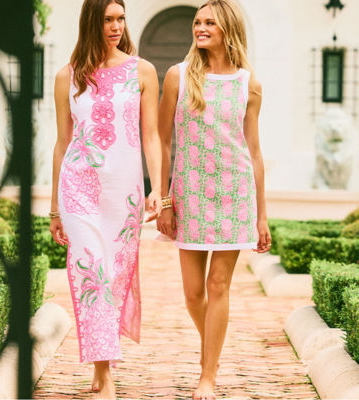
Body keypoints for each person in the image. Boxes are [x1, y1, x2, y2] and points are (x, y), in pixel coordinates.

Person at [156, 0, 271, 398]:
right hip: (189, 196)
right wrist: (166, 200)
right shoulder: (178, 77)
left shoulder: (248, 83)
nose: (200, 28)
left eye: (209, 23)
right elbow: (163, 142)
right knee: (193, 292)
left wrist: (262, 217)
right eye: (197, 22)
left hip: (234, 196)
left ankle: (208, 373)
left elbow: (253, 152)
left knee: (218, 284)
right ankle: (215, 348)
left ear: (227, 29)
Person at [49, 0, 162, 398]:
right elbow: (62, 144)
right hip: (78, 187)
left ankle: (102, 362)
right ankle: (104, 374)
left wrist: (157, 190)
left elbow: (151, 136)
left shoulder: (142, 70)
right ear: (91, 23)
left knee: (113, 276)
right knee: (91, 275)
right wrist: (53, 208)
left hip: (125, 192)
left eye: (120, 19)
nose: (116, 26)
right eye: (107, 19)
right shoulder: (68, 76)